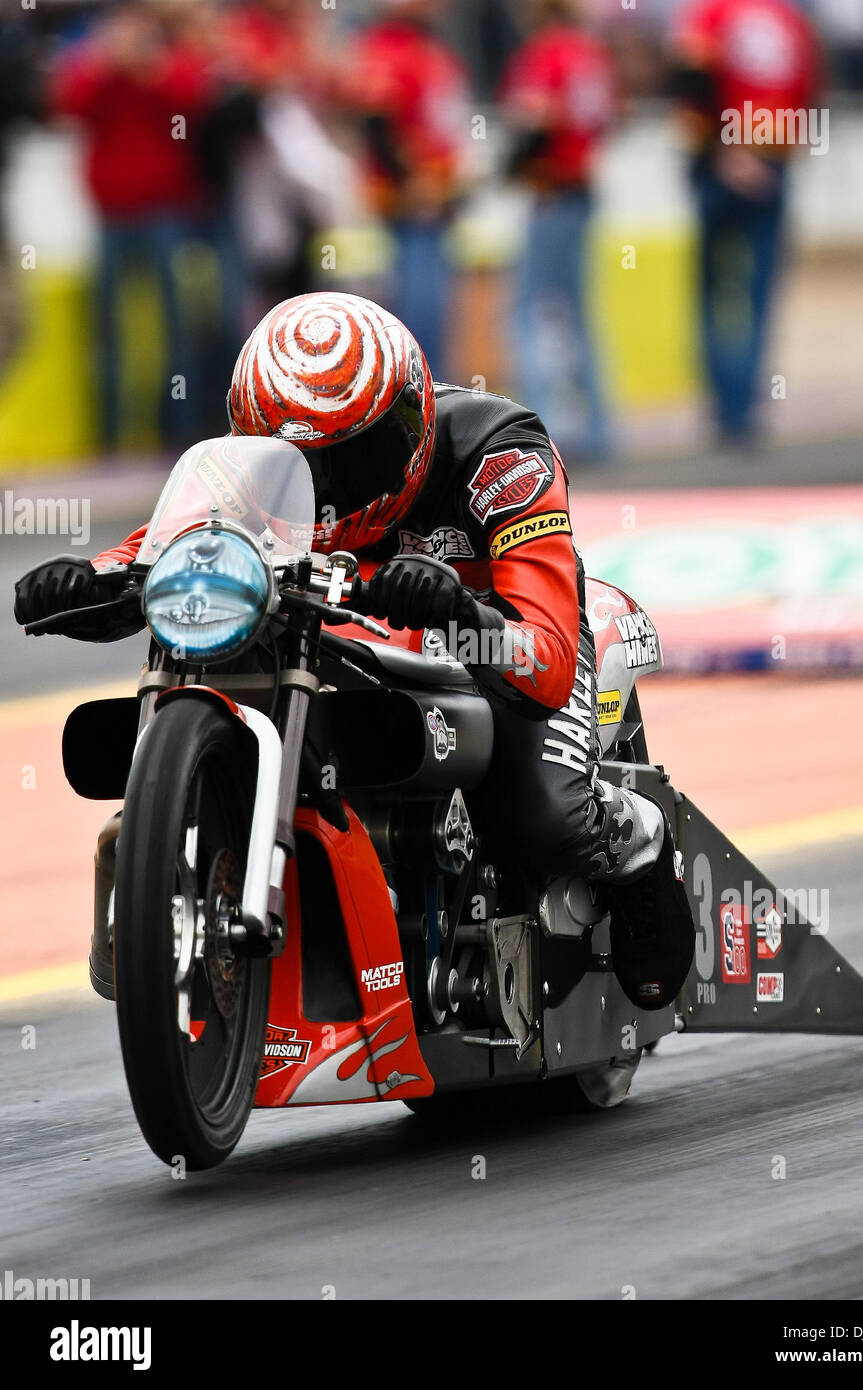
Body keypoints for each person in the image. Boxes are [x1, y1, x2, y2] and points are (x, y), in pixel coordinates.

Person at [13, 291, 695, 1014]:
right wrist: (91, 584)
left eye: (349, 460)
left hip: (492, 640)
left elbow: (548, 655)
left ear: (410, 422)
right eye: (297, 465)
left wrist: (462, 610)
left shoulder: (502, 453)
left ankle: (635, 839)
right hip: (330, 642)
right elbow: (166, 551)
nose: (325, 492)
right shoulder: (243, 472)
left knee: (542, 818)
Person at [49, 0, 213, 451]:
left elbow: (192, 102)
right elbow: (70, 104)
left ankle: (178, 429)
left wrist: (149, 68)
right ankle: (111, 434)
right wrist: (105, 64)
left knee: (176, 327)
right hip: (113, 212)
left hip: (164, 209)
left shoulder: (167, 61)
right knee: (108, 331)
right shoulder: (93, 64)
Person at [669, 0, 820, 446]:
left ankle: (726, 407)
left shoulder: (713, 15)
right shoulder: (791, 20)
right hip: (773, 160)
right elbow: (808, 91)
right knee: (757, 290)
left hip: (722, 161)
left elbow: (691, 84)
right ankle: (746, 407)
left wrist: (720, 152)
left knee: (713, 290)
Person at [501, 0, 619, 463]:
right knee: (580, 314)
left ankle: (537, 433)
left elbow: (534, 121)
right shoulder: (592, 54)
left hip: (551, 192)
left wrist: (511, 169)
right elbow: (609, 120)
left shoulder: (546, 53)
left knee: (529, 312)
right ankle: (599, 428)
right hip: (582, 189)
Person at [338, 0, 471, 382]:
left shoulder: (429, 51)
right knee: (420, 312)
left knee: (431, 309)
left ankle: (431, 395)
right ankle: (422, 395)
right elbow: (375, 121)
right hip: (412, 205)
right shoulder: (389, 49)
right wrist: (411, 183)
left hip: (433, 200)